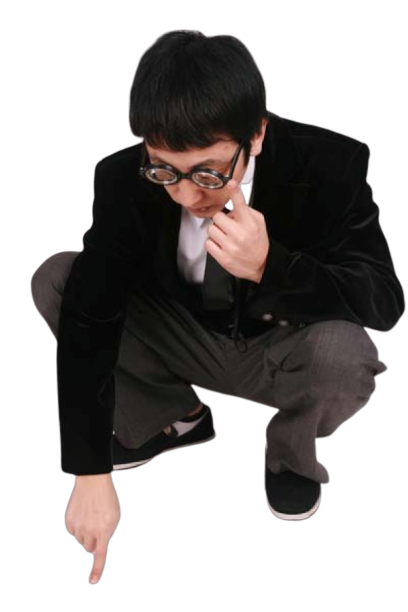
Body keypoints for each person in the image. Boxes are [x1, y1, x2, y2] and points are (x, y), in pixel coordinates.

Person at [30, 29, 404, 584]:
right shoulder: (121, 176)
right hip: (187, 338)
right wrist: (89, 470)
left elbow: (384, 301)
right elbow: (90, 311)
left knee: (345, 355)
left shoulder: (331, 163)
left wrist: (271, 266)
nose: (185, 194)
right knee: (59, 279)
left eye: (207, 172)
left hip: (283, 352)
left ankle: (288, 454)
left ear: (256, 134)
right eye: (165, 170)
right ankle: (172, 419)